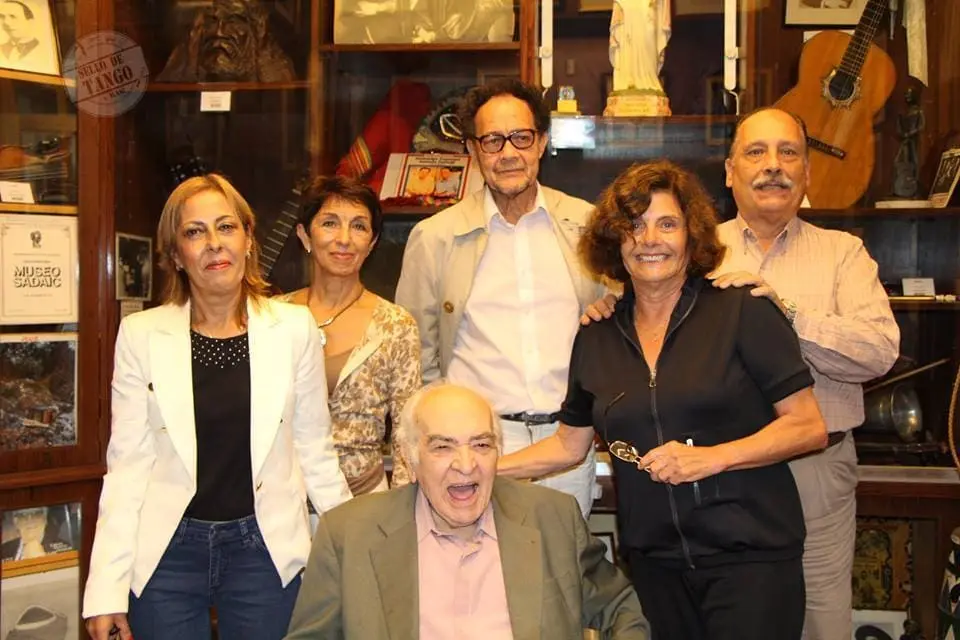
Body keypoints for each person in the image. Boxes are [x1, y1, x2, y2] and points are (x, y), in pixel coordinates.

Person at [499, 159, 828, 640]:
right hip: (655, 568)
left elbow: (808, 426)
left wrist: (712, 458)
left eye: (667, 224)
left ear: (692, 235)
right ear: (615, 240)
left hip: (750, 561)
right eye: (634, 225)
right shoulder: (596, 334)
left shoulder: (741, 311)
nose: (649, 239)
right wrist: (484, 468)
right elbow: (569, 445)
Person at [82, 174, 352, 640]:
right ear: (175, 255)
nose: (213, 243)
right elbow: (127, 466)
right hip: (167, 552)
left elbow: (315, 451)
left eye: (226, 227)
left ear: (248, 239)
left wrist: (353, 549)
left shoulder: (294, 329)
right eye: (195, 232)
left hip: (264, 550)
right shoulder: (141, 335)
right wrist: (105, 590)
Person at [711, 107, 900, 640]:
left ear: (808, 172)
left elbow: (879, 352)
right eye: (756, 152)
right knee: (729, 617)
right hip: (719, 472)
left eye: (788, 152)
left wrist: (789, 314)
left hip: (814, 471)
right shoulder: (695, 251)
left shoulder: (844, 254)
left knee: (820, 619)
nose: (773, 165)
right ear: (729, 171)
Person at [284, 382, 651, 640]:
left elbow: (621, 607)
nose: (465, 464)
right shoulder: (349, 535)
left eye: (481, 444)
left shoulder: (552, 519)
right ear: (410, 458)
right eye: (443, 447)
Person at [395, 78, 609, 517]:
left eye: (521, 137)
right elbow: (417, 357)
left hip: (568, 441)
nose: (508, 153)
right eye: (492, 140)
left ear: (542, 142)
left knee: (561, 558)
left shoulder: (588, 226)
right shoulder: (435, 238)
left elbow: (617, 325)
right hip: (476, 449)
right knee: (474, 559)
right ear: (473, 150)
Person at [275, 175, 421, 492]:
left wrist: (402, 509)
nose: (344, 239)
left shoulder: (396, 325)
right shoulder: (271, 318)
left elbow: (407, 433)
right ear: (304, 235)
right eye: (330, 223)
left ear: (372, 242)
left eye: (358, 226)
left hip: (363, 500)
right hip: (281, 501)